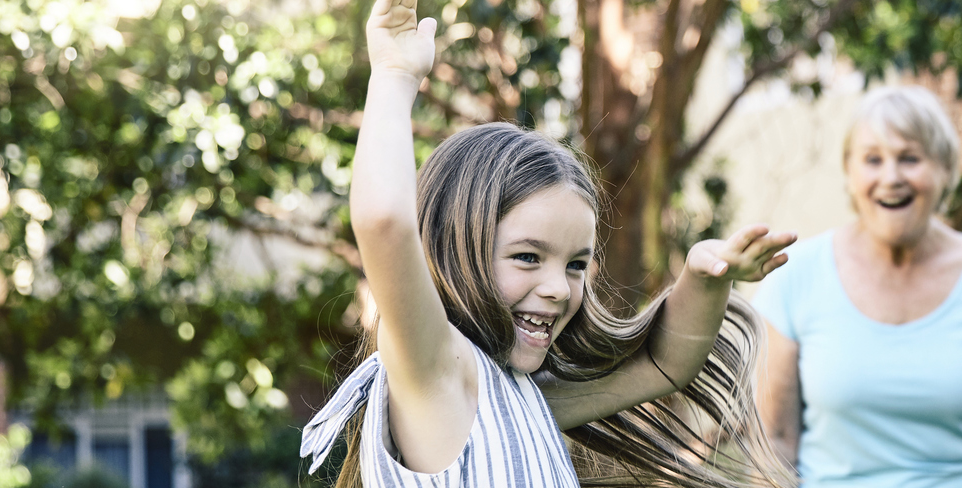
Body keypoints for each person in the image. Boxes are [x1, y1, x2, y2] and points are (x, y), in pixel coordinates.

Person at [297, 0, 796, 485]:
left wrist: (705, 278)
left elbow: (663, 365)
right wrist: (393, 75)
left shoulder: (523, 396)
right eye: (528, 257)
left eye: (576, 264)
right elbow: (385, 222)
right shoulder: (437, 374)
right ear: (454, 249)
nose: (559, 287)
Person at [750, 86, 962, 487]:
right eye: (872, 160)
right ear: (850, 174)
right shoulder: (795, 275)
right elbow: (775, 441)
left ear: (944, 170)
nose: (891, 178)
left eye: (909, 158)